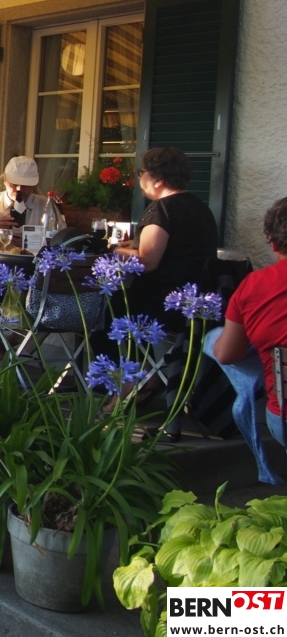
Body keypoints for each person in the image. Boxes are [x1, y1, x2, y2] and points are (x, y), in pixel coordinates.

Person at [205, 197, 287, 482]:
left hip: (283, 420)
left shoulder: (253, 286)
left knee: (214, 339)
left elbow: (227, 355)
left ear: (273, 244)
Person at [114, 147, 218, 331]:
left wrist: (113, 250)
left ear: (158, 181)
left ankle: (109, 351)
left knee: (105, 306)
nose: (139, 178)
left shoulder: (161, 209)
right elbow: (181, 246)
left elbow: (147, 262)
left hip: (164, 302)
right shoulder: (200, 207)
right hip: (196, 302)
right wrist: (136, 244)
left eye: (141, 172)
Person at [0, 156, 63, 249]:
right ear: (4, 181)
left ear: (33, 186)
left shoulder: (45, 206)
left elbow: (61, 242)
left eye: (25, 186)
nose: (19, 189)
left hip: (33, 259)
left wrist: (30, 243)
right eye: (14, 184)